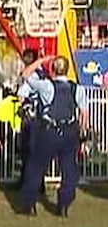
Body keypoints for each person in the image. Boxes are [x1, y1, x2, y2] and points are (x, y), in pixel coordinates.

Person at [17, 55, 88, 217]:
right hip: (69, 132)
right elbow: (84, 113)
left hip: (49, 131)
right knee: (69, 171)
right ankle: (64, 205)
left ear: (52, 69)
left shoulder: (46, 86)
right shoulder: (77, 88)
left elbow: (25, 75)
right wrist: (82, 132)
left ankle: (29, 204)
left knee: (35, 167)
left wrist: (40, 61)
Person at [15, 49, 46, 194]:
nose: (24, 59)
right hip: (36, 117)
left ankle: (33, 183)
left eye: (27, 57)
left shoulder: (33, 75)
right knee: (32, 151)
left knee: (30, 151)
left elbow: (22, 94)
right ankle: (35, 182)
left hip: (32, 118)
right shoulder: (41, 73)